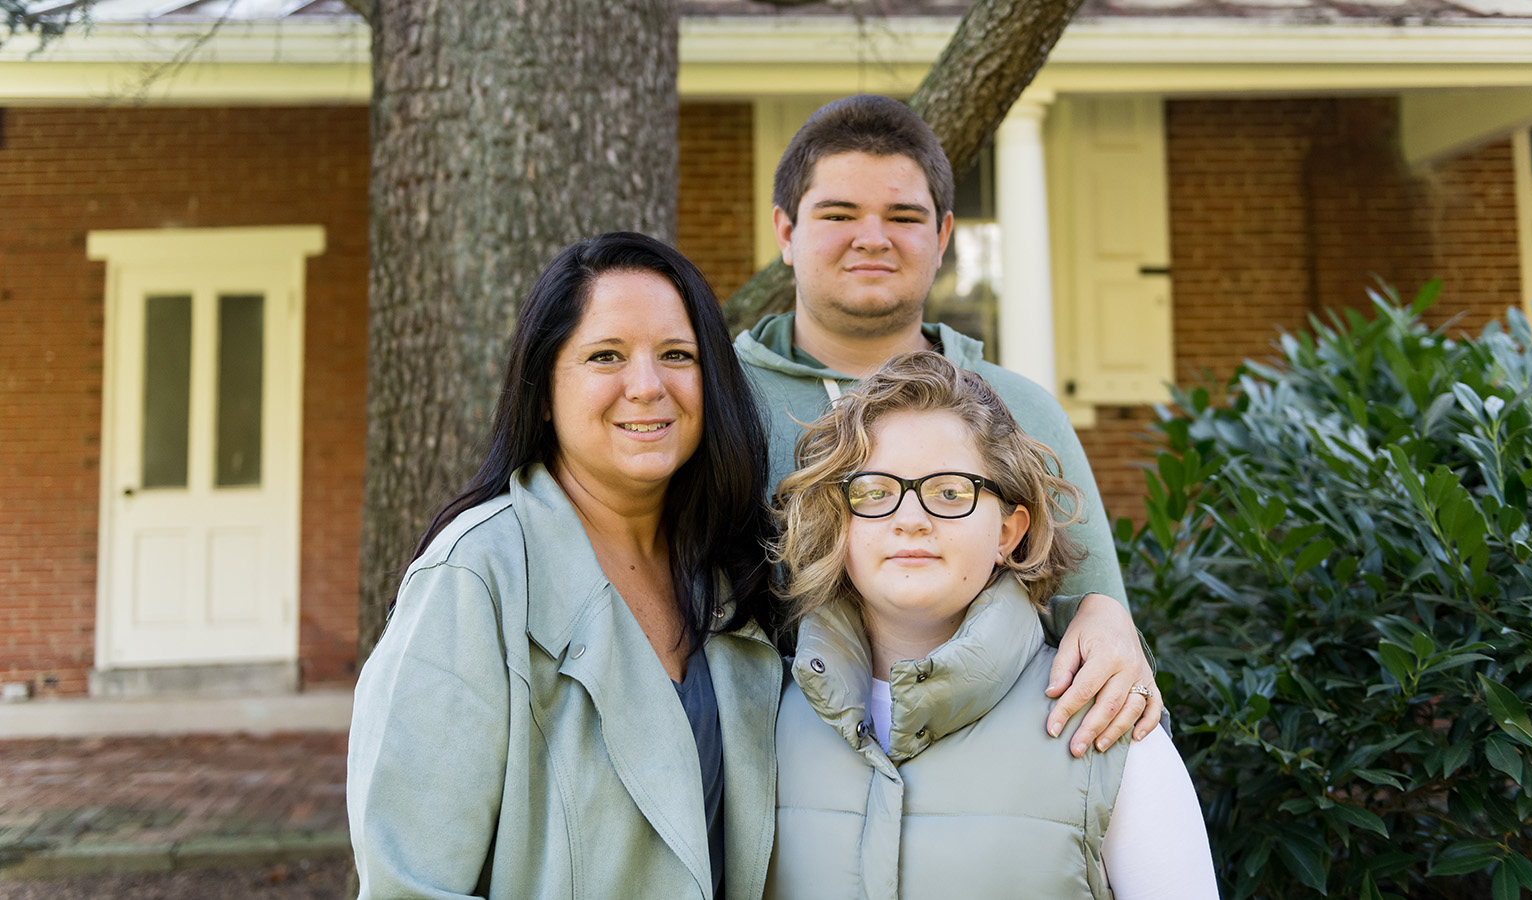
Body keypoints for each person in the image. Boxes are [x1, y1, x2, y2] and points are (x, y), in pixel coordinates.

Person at [347, 232, 781, 899]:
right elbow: (410, 883)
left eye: (677, 355)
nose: (647, 386)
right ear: (545, 390)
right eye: (606, 355)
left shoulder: (732, 571)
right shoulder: (474, 578)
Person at [735, 94, 1160, 755]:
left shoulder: (1023, 410)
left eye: (903, 216)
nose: (872, 237)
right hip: (762, 784)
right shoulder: (714, 402)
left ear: (941, 238)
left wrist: (1107, 622)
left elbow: (1091, 608)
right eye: (839, 213)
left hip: (985, 771)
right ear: (786, 233)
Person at [765, 351, 1217, 899]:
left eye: (950, 492)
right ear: (840, 522)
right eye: (875, 491)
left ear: (1008, 531)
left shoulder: (1108, 727)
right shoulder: (764, 721)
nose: (910, 519)